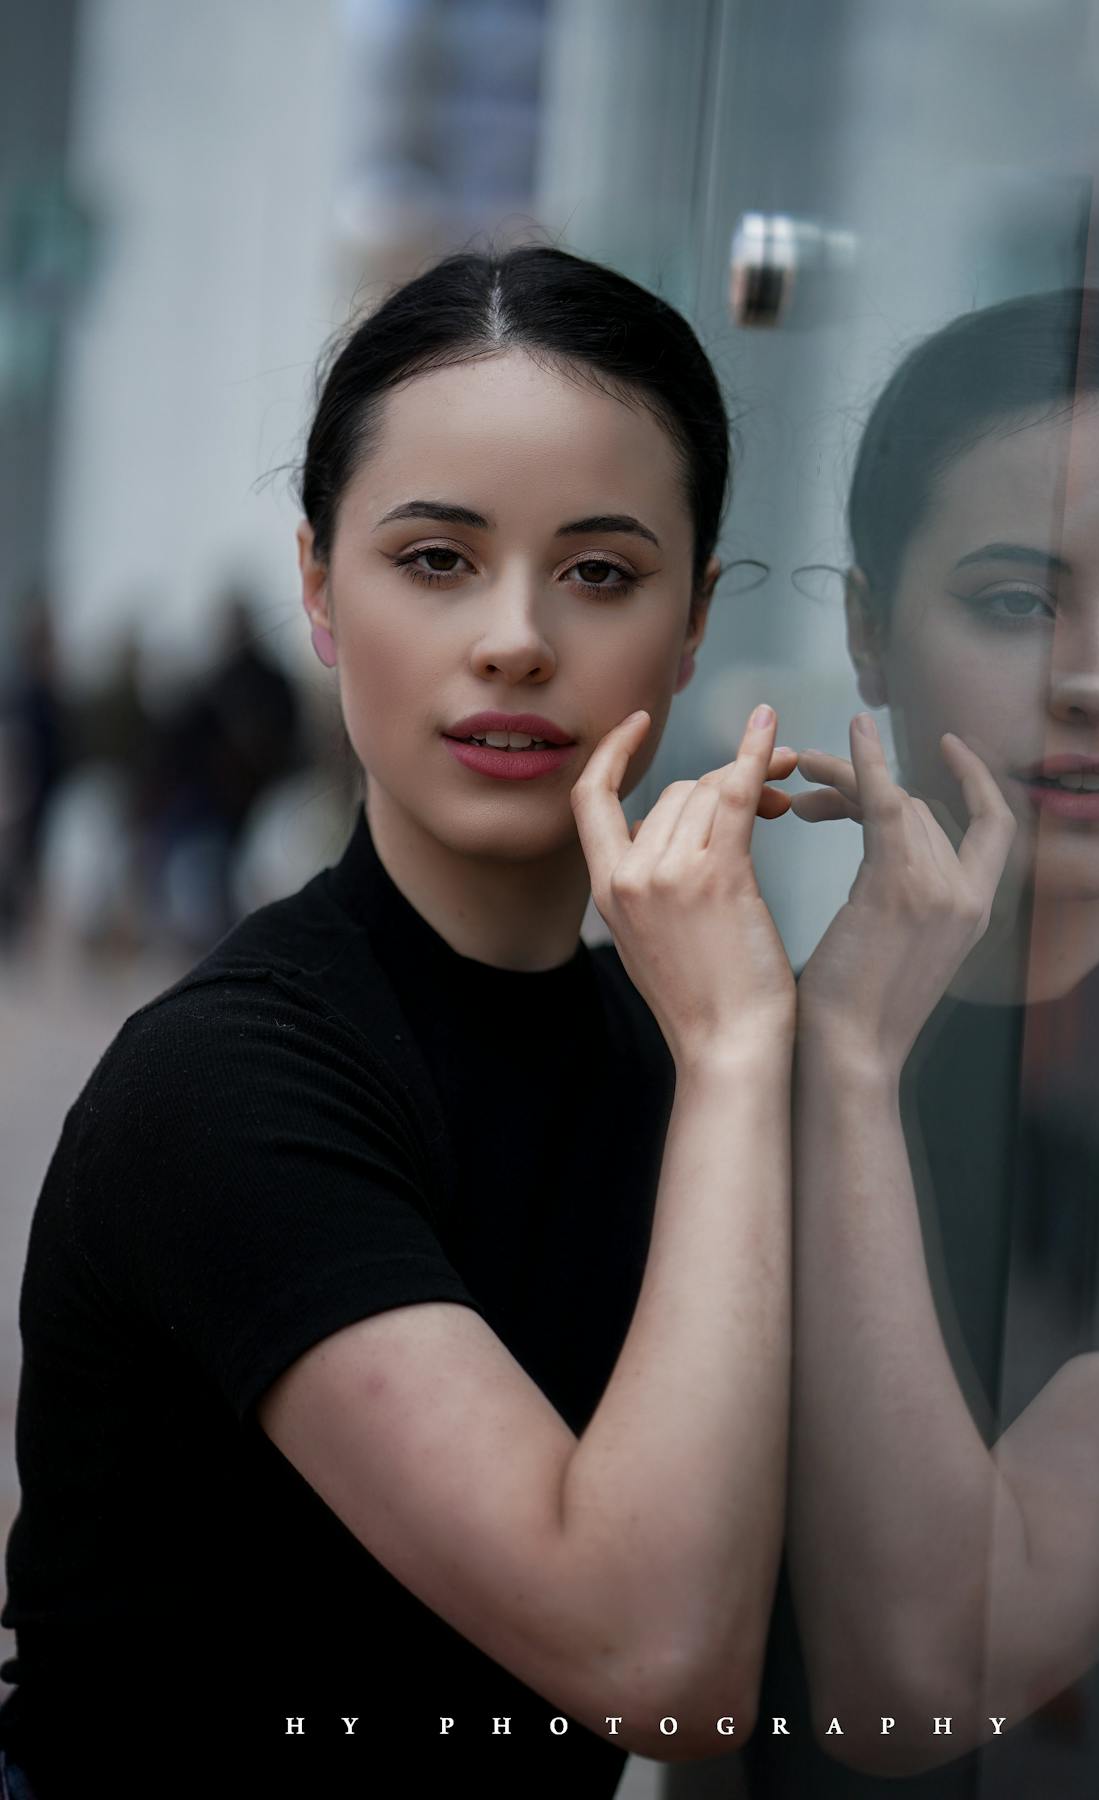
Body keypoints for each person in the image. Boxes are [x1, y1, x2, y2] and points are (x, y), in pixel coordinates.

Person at [0, 246, 800, 1798]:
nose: (514, 638)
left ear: (695, 624)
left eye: (601, 572)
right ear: (315, 584)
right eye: (436, 558)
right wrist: (744, 1051)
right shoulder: (228, 1088)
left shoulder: (661, 1060)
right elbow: (664, 1665)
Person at [739, 287, 1099, 1799]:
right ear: (868, 631)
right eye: (1017, 600)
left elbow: (917, 1683)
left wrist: (851, 1071)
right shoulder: (732, 1053)